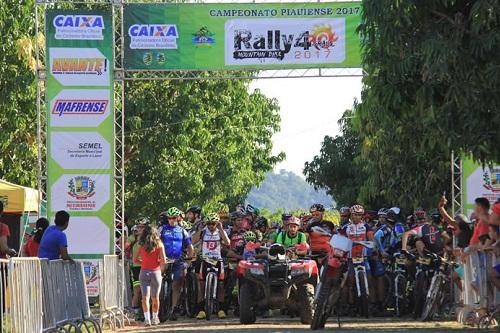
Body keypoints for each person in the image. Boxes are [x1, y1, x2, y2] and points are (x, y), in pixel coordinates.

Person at [158, 207, 194, 321]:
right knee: (157, 279)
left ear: (177, 218)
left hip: (178, 260)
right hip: (165, 259)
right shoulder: (162, 229)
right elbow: (155, 242)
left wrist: (189, 260)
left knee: (177, 283)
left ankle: (173, 309)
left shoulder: (182, 230)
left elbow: (190, 247)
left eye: (174, 218)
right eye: (169, 218)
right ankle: (155, 306)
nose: (172, 220)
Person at [191, 212, 230, 319]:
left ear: (217, 223)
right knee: (202, 286)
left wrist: (221, 229)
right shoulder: (203, 232)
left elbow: (227, 243)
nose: (211, 226)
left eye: (213, 223)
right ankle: (201, 309)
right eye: (208, 224)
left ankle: (221, 309)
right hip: (205, 260)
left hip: (217, 260)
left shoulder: (220, 232)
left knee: (221, 286)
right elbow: (193, 241)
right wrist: (200, 229)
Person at [342, 204, 375, 309]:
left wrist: (374, 250)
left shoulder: (366, 227)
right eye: (354, 215)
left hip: (363, 257)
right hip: (350, 258)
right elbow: (341, 241)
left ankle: (372, 304)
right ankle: (351, 306)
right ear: (351, 215)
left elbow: (371, 239)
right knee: (350, 283)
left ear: (362, 216)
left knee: (369, 280)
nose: (356, 217)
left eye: (359, 215)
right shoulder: (346, 227)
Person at [134, 225, 166, 326]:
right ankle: (155, 318)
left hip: (144, 272)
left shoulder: (140, 244)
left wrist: (143, 263)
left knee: (145, 297)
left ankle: (147, 319)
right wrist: (158, 265)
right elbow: (164, 260)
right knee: (155, 297)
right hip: (156, 272)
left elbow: (135, 260)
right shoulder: (159, 244)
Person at [125, 218, 149, 319]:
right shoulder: (133, 237)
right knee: (137, 290)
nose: (140, 229)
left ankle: (147, 312)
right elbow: (125, 246)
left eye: (142, 227)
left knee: (147, 291)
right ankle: (135, 311)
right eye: (138, 227)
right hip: (136, 267)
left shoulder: (150, 238)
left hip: (148, 266)